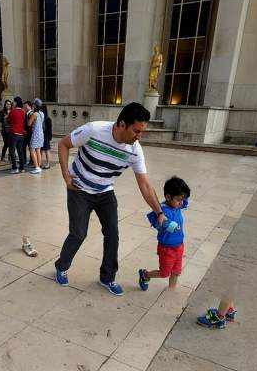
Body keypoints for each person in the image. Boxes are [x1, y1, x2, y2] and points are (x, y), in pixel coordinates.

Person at [54, 102, 167, 296]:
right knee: (78, 234)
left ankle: (107, 277)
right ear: (122, 124)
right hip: (79, 188)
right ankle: (61, 266)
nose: (139, 137)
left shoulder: (135, 150)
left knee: (113, 234)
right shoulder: (93, 130)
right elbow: (63, 144)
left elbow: (145, 185)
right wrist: (66, 175)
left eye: (142, 132)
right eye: (136, 131)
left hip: (105, 192)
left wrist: (159, 212)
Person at [138, 176, 190, 291]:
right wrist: (172, 226)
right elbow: (161, 224)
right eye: (178, 200)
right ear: (168, 197)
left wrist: (185, 196)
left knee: (176, 271)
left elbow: (184, 200)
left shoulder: (177, 205)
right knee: (164, 273)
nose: (181, 203)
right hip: (167, 249)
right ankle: (145, 275)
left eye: (182, 200)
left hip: (179, 246)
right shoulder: (162, 211)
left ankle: (172, 289)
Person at [6, 96, 26, 174]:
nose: (12, 103)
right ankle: (22, 167)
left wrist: (8, 115)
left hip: (14, 133)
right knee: (20, 151)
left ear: (16, 102)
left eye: (13, 102)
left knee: (12, 150)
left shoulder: (13, 111)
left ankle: (15, 168)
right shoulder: (23, 112)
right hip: (21, 134)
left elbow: (8, 121)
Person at [28, 98, 45, 174]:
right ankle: (39, 165)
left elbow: (29, 124)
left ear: (35, 105)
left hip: (35, 133)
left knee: (32, 149)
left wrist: (30, 114)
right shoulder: (42, 113)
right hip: (41, 133)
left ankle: (37, 167)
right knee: (38, 150)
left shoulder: (34, 114)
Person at [41, 104, 53, 169]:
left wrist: (49, 137)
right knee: (40, 150)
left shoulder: (48, 119)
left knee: (46, 150)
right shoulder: (40, 117)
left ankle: (48, 164)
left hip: (45, 136)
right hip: (41, 136)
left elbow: (50, 129)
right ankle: (39, 163)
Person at [23, 100, 33, 165]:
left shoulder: (31, 114)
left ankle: (31, 160)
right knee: (23, 147)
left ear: (30, 106)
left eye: (26, 106)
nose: (25, 107)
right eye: (24, 106)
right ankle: (24, 160)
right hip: (25, 134)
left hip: (30, 134)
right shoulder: (26, 114)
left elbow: (30, 125)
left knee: (30, 148)